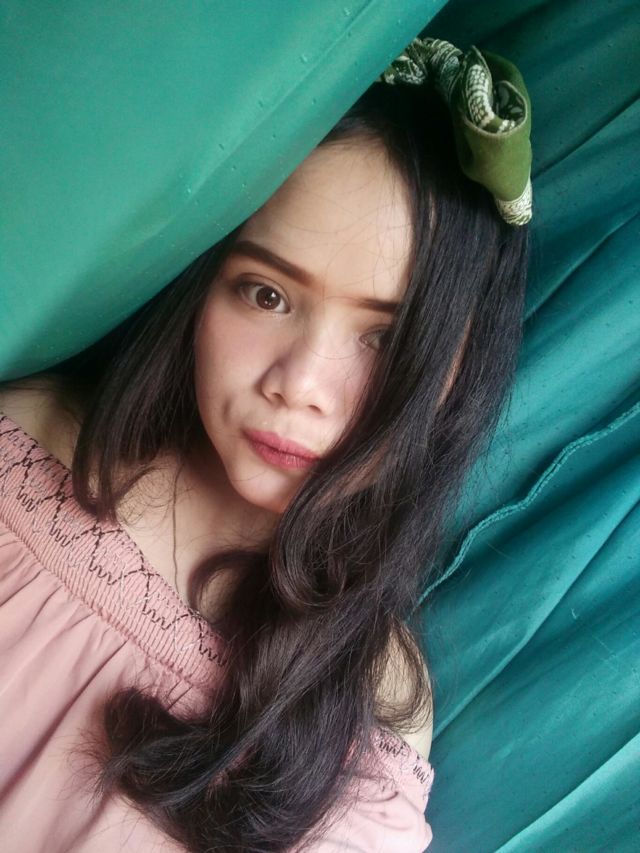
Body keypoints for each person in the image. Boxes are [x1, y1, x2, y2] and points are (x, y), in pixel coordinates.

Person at [0, 38, 530, 853]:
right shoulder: (24, 455)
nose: (301, 383)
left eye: (384, 340)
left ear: (456, 374)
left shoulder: (374, 704)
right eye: (266, 294)